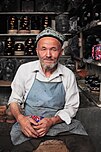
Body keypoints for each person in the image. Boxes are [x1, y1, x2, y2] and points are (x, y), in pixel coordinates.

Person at [7, 27, 95, 152]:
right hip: (30, 124)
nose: (48, 55)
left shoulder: (67, 74)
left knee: (86, 149)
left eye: (53, 49)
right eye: (43, 49)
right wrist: (21, 120)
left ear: (61, 52)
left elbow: (71, 107)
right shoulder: (24, 70)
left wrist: (51, 121)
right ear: (37, 50)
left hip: (61, 125)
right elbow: (14, 100)